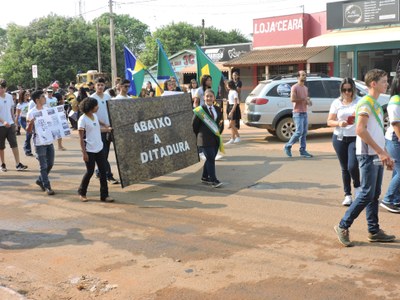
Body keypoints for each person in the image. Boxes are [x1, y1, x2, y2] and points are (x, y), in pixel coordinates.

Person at [334, 68, 395, 247]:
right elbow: (360, 130)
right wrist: (381, 152)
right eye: (384, 81)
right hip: (367, 155)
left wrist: (385, 153)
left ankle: (374, 230)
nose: (387, 84)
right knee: (367, 193)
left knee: (374, 194)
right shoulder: (366, 103)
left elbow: (376, 132)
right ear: (373, 84)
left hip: (375, 153)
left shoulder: (375, 104)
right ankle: (342, 225)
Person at [327, 77, 361, 206]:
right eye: (344, 90)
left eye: (349, 89)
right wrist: (339, 123)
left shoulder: (359, 101)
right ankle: (347, 194)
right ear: (341, 90)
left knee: (352, 165)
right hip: (339, 138)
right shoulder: (337, 103)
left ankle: (358, 187)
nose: (347, 92)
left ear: (353, 89)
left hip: (354, 138)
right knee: (344, 168)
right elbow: (329, 121)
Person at [77, 98, 114, 202]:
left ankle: (104, 195)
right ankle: (82, 192)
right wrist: (84, 153)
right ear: (90, 107)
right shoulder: (82, 120)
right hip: (89, 150)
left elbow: (97, 128)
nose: (97, 107)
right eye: (96, 105)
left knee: (103, 172)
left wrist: (107, 129)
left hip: (99, 148)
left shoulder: (95, 116)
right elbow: (80, 138)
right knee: (90, 171)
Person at [192, 88, 223, 188]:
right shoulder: (199, 110)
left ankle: (205, 177)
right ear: (203, 97)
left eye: (211, 96)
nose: (209, 98)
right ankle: (213, 180)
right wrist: (200, 135)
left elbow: (220, 122)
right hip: (204, 139)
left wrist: (219, 132)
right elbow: (194, 125)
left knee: (211, 158)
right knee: (210, 158)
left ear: (214, 98)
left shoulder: (217, 109)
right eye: (207, 96)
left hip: (215, 138)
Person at [91, 77, 119, 184]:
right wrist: (104, 125)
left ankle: (99, 171)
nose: (100, 87)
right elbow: (92, 115)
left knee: (104, 154)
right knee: (103, 153)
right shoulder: (92, 98)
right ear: (94, 85)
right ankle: (109, 175)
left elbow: (112, 111)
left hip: (109, 129)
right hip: (98, 129)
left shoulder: (108, 97)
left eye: (102, 85)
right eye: (98, 85)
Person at [26, 90, 55, 195]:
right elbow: (28, 131)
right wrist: (31, 123)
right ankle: (47, 186)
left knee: (50, 164)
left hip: (49, 141)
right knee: (43, 165)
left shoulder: (47, 110)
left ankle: (40, 180)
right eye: (43, 96)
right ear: (37, 100)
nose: (45, 98)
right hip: (39, 142)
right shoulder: (31, 112)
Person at [380, 75, 400, 213]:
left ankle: (395, 199)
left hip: (395, 139)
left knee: (397, 171)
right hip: (395, 139)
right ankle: (388, 199)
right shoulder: (395, 100)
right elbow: (395, 123)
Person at [0, 79, 28, 172]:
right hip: (1, 126)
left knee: (14, 144)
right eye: (0, 88)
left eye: (2, 88)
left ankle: (18, 164)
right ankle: (3, 164)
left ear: (5, 88)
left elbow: (12, 109)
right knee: (1, 146)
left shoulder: (9, 97)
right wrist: (3, 121)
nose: (1, 90)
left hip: (10, 124)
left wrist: (14, 122)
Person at [284, 71, 313, 158]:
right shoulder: (294, 87)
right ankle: (288, 146)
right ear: (298, 77)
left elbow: (306, 100)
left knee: (304, 133)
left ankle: (303, 150)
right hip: (297, 113)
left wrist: (308, 101)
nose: (304, 76)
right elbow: (292, 99)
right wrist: (303, 99)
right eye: (303, 75)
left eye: (305, 75)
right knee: (299, 131)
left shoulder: (305, 88)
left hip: (304, 112)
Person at [15, 90, 33, 156]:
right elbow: (17, 115)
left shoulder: (30, 103)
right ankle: (27, 150)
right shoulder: (20, 104)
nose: (27, 96)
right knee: (29, 132)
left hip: (30, 119)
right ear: (22, 96)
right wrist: (16, 125)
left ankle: (26, 147)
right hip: (22, 119)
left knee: (30, 134)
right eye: (26, 95)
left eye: (28, 94)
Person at [225, 80, 241, 144]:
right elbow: (230, 100)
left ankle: (238, 136)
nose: (226, 85)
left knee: (231, 124)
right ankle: (232, 138)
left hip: (234, 108)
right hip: (230, 107)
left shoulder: (234, 92)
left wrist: (231, 111)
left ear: (230, 85)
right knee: (232, 124)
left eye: (227, 84)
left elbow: (235, 103)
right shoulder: (230, 91)